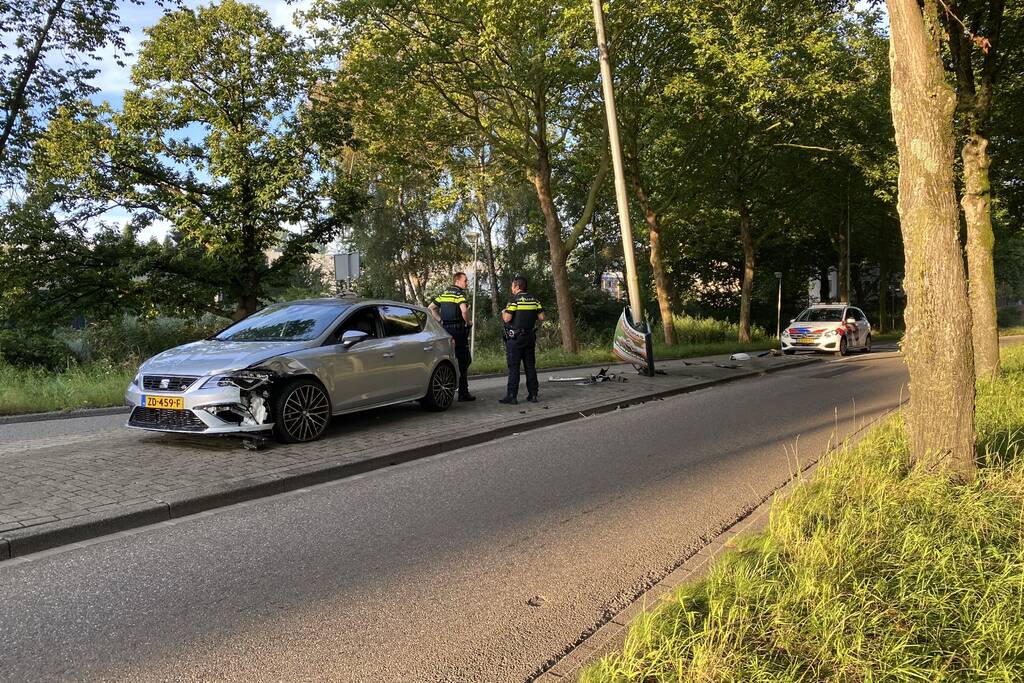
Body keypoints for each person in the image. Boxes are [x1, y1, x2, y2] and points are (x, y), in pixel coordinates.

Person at [429, 272, 475, 401]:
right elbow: (464, 311)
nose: (467, 283)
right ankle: (463, 392)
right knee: (464, 360)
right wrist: (468, 322)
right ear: (457, 281)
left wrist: (440, 321)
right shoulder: (459, 294)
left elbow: (431, 308)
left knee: (449, 359)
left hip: (446, 331)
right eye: (465, 280)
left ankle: (449, 390)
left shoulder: (444, 294)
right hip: (458, 332)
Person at [499, 276, 545, 405]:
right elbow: (541, 317)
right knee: (530, 367)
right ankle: (533, 394)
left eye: (513, 286)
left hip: (516, 338)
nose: (512, 289)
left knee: (514, 367)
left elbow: (507, 318)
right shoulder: (534, 299)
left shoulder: (514, 300)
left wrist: (503, 311)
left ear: (517, 287)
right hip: (530, 337)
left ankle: (512, 396)